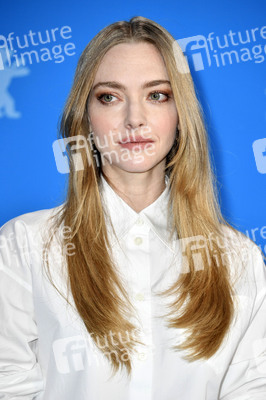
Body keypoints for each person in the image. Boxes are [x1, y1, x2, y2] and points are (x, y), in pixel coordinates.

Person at [0, 15, 265, 400]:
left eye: (157, 95)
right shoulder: (22, 248)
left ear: (181, 115)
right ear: (85, 117)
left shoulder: (239, 260)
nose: (134, 119)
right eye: (110, 96)